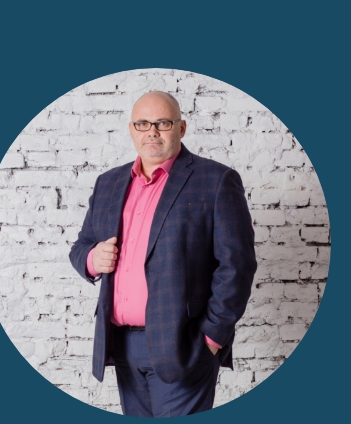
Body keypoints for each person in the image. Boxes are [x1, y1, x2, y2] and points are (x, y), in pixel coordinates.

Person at [68, 91, 258, 417]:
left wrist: (212, 338)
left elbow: (237, 265)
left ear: (181, 128)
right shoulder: (108, 183)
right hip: (122, 344)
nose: (152, 132)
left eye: (163, 123)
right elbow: (82, 245)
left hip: (183, 345)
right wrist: (91, 258)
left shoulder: (215, 180)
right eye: (142, 124)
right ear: (131, 130)